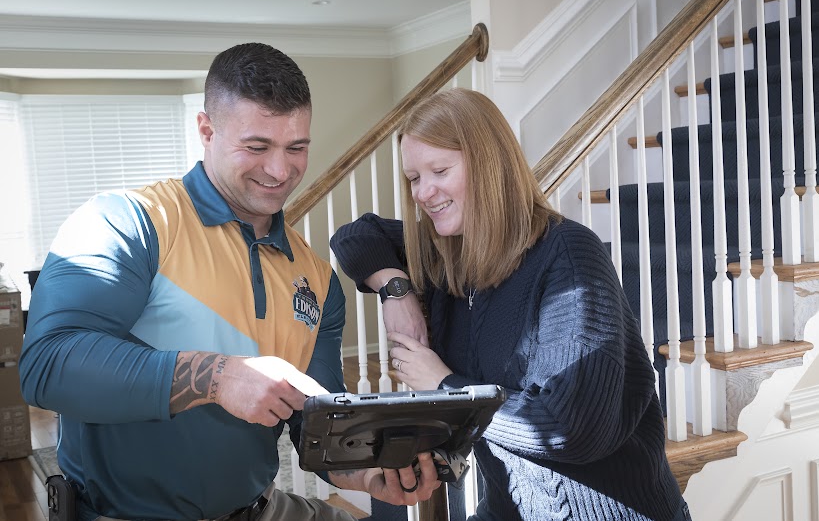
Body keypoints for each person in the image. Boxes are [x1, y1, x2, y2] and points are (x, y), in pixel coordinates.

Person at [19, 42, 440, 521]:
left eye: (296, 148)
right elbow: (46, 365)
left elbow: (315, 425)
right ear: (206, 130)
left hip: (259, 508)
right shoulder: (129, 223)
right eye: (257, 147)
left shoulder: (318, 280)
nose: (280, 171)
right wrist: (216, 377)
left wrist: (366, 475)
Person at [330, 88, 691, 521]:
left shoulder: (568, 257)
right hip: (510, 508)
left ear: (488, 164)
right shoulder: (446, 255)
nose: (424, 193)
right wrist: (396, 290)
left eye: (439, 170)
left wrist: (446, 388)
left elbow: (568, 429)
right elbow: (354, 236)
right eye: (413, 178)